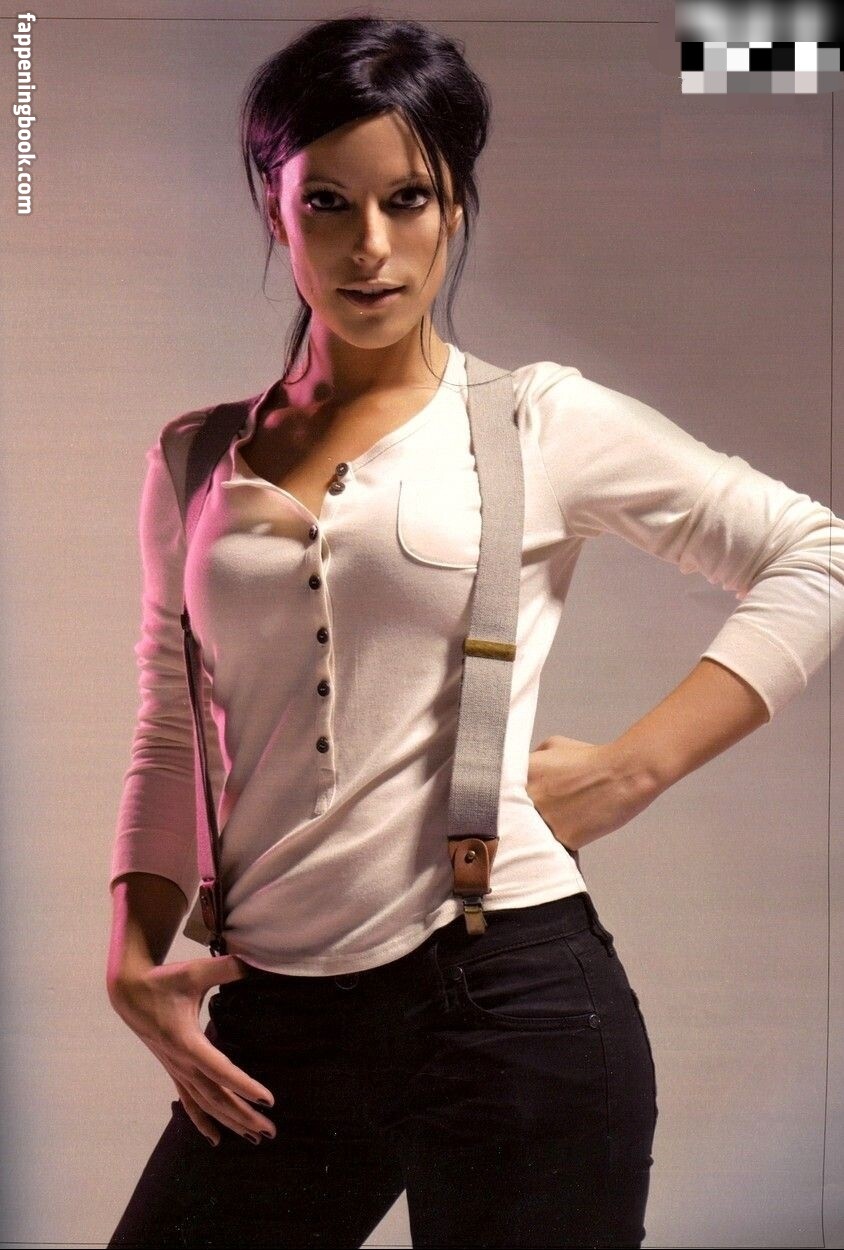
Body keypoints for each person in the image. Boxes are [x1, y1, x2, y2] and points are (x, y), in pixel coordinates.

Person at [104, 15, 844, 1250]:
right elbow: (172, 724)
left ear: (454, 206)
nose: (372, 246)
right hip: (278, 1022)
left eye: (409, 199)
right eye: (328, 202)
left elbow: (813, 550)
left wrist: (632, 768)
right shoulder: (193, 458)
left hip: (508, 1000)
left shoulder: (537, 420)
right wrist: (132, 947)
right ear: (274, 207)